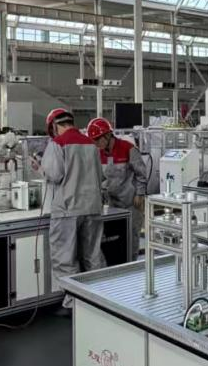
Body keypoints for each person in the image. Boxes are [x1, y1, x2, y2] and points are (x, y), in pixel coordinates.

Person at [40, 108, 105, 313]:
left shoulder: (58, 143)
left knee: (65, 258)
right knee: (93, 255)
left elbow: (54, 174)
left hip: (67, 208)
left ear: (54, 126)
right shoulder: (91, 144)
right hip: (93, 207)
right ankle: (99, 300)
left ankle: (72, 304)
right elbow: (100, 175)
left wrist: (40, 167)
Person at [87, 117, 148, 259]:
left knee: (132, 239)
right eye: (93, 141)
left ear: (108, 135)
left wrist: (140, 194)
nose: (96, 144)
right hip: (113, 205)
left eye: (97, 140)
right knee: (116, 239)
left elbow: (141, 174)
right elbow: (100, 178)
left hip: (132, 203)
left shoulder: (128, 148)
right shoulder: (98, 153)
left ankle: (132, 266)